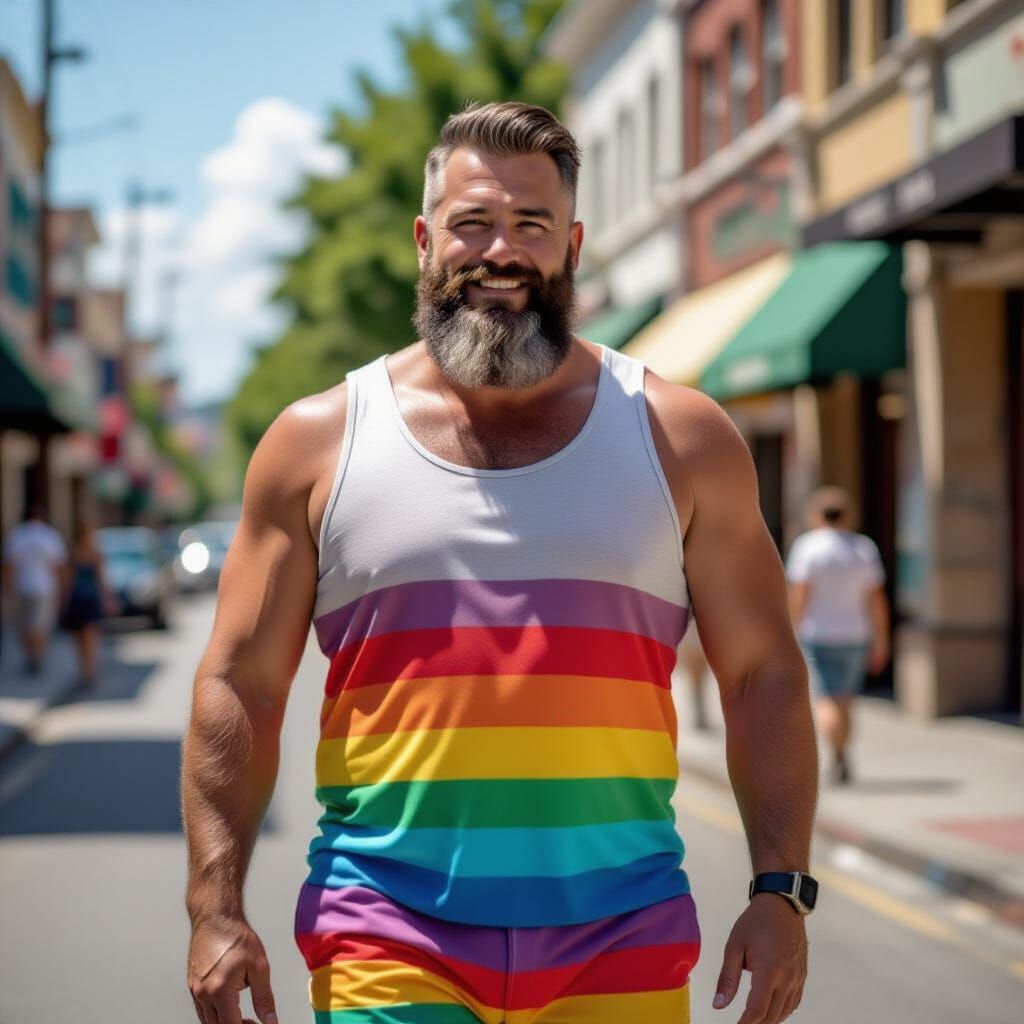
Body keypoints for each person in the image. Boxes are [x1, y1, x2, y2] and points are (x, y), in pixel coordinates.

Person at [182, 102, 818, 1024]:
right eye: (472, 222)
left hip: (622, 939)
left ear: (573, 245)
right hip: (386, 938)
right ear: (424, 239)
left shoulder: (681, 437)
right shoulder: (316, 444)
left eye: (532, 224)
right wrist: (214, 906)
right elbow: (240, 682)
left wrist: (781, 889)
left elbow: (762, 671)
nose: (501, 251)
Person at [786, 486, 890, 785]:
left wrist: (790, 630)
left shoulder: (808, 547)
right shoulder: (863, 548)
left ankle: (836, 754)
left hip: (818, 634)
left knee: (826, 698)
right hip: (856, 634)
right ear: (848, 515)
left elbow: (800, 594)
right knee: (845, 700)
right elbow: (876, 599)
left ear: (816, 515)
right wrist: (881, 639)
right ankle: (843, 752)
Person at [2, 504, 68, 675]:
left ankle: (31, 657)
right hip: (45, 588)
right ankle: (37, 657)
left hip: (22, 587)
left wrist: (8, 590)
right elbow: (58, 566)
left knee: (24, 625)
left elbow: (9, 566)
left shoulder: (18, 535)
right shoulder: (50, 535)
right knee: (40, 626)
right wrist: (63, 589)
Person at [59, 521, 114, 688]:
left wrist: (64, 603)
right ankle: (89, 672)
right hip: (89, 600)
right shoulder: (93, 553)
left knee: (81, 641)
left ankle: (86, 672)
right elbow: (101, 580)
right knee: (90, 640)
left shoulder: (74, 553)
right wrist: (107, 599)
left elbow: (67, 583)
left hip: (78, 600)